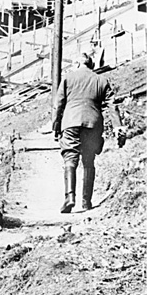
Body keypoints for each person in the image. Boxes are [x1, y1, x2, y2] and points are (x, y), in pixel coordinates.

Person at [52, 53, 124, 214]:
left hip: (71, 122)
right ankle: (86, 201)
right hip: (93, 124)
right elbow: (112, 106)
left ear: (78, 64)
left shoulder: (68, 78)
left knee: (70, 158)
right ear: (91, 65)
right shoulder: (101, 80)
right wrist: (117, 126)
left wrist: (56, 126)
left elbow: (58, 105)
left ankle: (69, 198)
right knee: (88, 161)